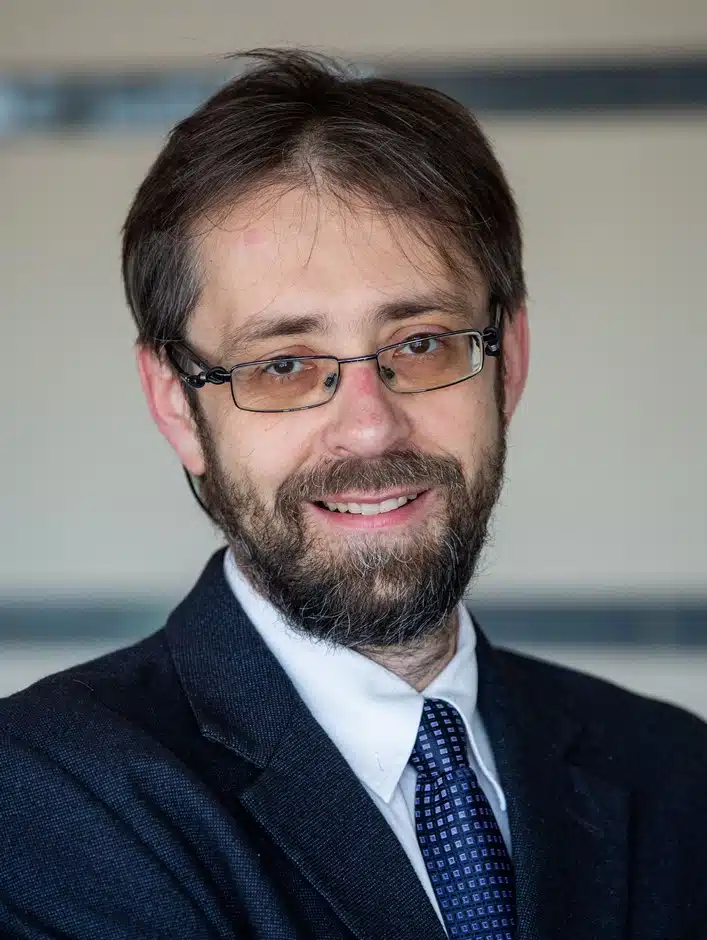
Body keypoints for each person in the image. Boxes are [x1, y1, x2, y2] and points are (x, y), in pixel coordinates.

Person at [1, 48, 706, 940]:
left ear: (509, 361)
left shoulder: (674, 775)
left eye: (420, 344)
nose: (369, 429)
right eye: (283, 364)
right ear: (176, 404)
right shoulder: (39, 803)